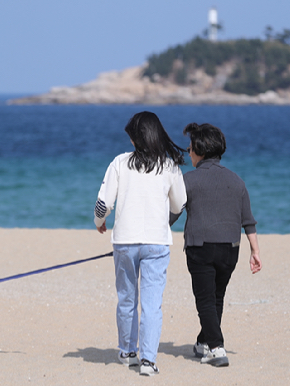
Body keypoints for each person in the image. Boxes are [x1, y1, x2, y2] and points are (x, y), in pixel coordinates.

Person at [94, 111, 187, 376]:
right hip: (157, 243)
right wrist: (164, 222)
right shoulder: (169, 166)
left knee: (126, 299)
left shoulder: (120, 163)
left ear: (136, 138)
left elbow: (103, 204)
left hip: (124, 241)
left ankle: (127, 351)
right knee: (152, 303)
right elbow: (180, 204)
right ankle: (148, 361)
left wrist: (98, 222)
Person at [178, 122, 262, 367]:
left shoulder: (189, 180)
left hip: (200, 247)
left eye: (190, 146)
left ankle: (216, 348)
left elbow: (171, 214)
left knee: (205, 299)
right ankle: (204, 342)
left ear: (200, 150)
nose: (188, 150)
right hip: (230, 249)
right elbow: (248, 220)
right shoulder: (236, 181)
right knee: (216, 296)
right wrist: (255, 251)